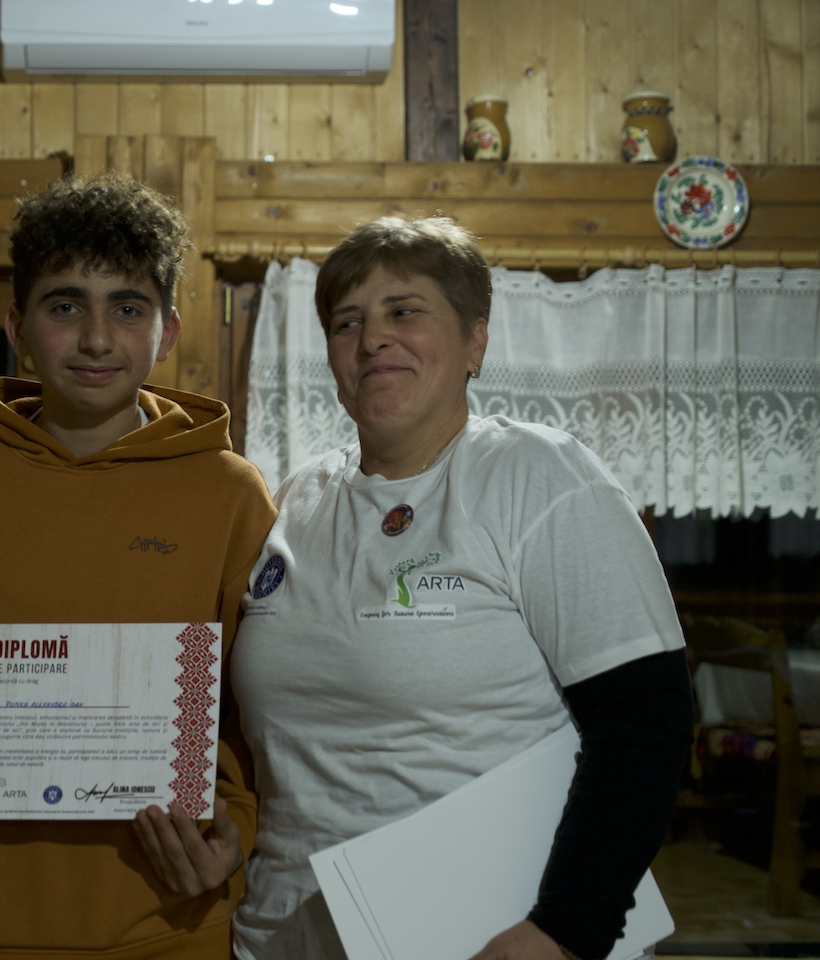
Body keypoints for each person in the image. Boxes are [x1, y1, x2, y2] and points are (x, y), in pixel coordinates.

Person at [229, 216, 693, 960]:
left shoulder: (538, 477)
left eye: (404, 311)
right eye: (348, 322)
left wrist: (567, 930)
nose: (373, 339)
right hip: (279, 937)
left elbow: (644, 724)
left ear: (476, 341)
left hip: (486, 938)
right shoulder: (297, 498)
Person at [0, 172, 277, 959]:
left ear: (167, 330)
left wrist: (236, 829)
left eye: (127, 309)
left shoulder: (231, 492)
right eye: (65, 306)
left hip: (174, 928)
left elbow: (262, 705)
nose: (97, 339)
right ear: (19, 328)